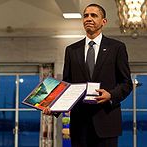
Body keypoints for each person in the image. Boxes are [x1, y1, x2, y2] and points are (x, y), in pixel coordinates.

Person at [43, 3, 132, 147]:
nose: (88, 18)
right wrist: (53, 106)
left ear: (104, 22)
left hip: (107, 122)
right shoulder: (71, 50)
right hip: (80, 125)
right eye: (85, 15)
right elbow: (67, 85)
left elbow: (126, 83)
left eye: (94, 15)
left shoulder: (116, 48)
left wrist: (111, 95)